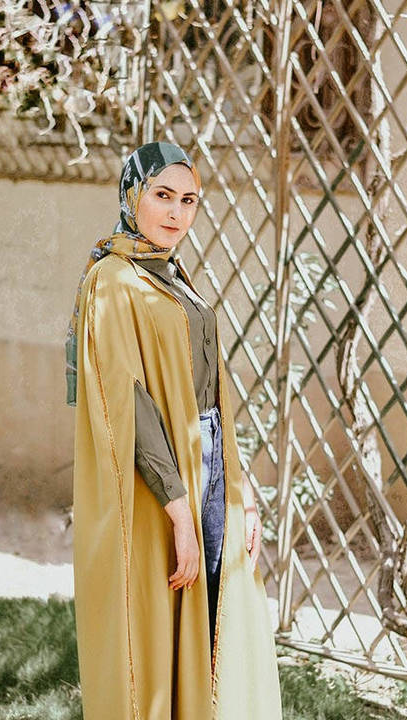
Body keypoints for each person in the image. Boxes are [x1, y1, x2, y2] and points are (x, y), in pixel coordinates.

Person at [66, 141, 282, 720]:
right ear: (132, 195)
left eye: (189, 200)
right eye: (163, 195)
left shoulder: (171, 274)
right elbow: (128, 402)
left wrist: (241, 492)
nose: (176, 212)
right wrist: (179, 512)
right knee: (161, 625)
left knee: (213, 621)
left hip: (209, 465)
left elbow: (212, 395)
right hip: (162, 481)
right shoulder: (114, 279)